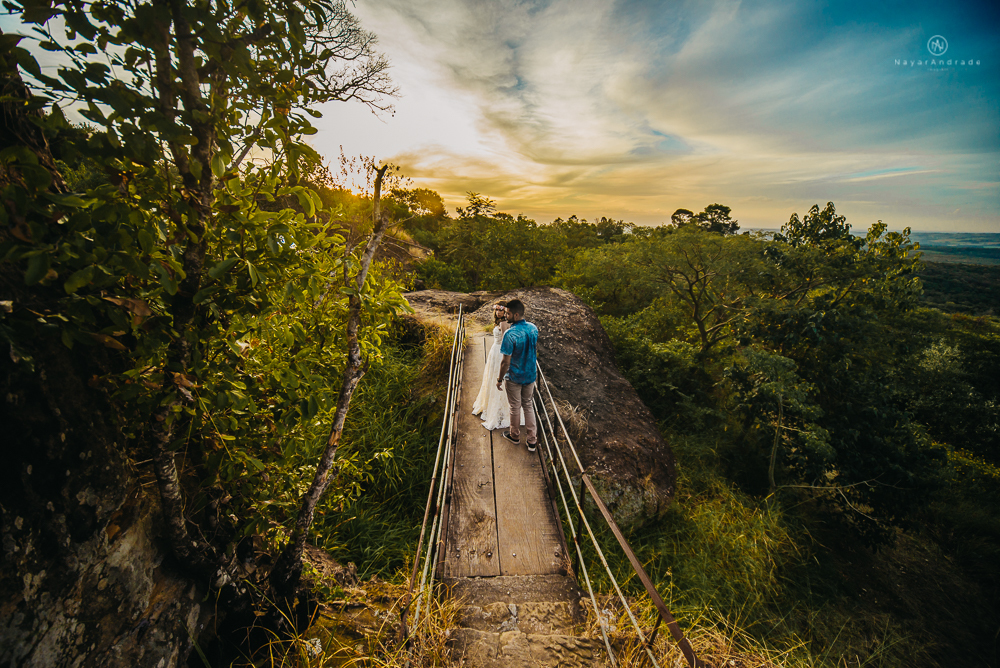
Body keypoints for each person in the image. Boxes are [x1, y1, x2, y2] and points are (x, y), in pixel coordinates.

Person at [496, 299, 539, 452]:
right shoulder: (533, 329)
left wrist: (499, 379)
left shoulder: (510, 333)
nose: (505, 316)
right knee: (528, 405)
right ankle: (532, 441)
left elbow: (505, 362)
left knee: (515, 407)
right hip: (530, 375)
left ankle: (514, 436)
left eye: (507, 313)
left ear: (515, 314)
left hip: (514, 376)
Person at [471, 302, 520, 430]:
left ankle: (498, 410)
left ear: (505, 312)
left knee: (496, 378)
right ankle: (496, 406)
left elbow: (506, 339)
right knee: (492, 377)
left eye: (501, 311)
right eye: (497, 310)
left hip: (499, 353)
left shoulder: (503, 323)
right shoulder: (501, 322)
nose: (498, 313)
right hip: (494, 351)